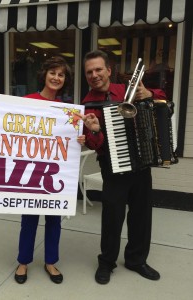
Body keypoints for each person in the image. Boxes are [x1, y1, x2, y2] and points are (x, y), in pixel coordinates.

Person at [0, 56, 85, 284]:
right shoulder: (27, 101)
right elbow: (0, 117)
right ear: (44, 74)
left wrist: (80, 138)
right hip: (28, 172)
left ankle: (50, 262)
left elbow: (70, 143)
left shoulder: (68, 111)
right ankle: (23, 261)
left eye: (61, 74)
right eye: (53, 73)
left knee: (54, 221)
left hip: (54, 174)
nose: (56, 78)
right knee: (28, 220)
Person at [80, 50, 166, 284]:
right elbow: (95, 144)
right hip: (113, 168)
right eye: (89, 72)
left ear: (109, 70)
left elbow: (160, 100)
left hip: (141, 165)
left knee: (141, 216)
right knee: (112, 218)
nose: (94, 75)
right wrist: (95, 130)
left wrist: (149, 93)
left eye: (98, 69)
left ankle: (136, 260)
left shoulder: (126, 91)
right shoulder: (88, 106)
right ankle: (106, 262)